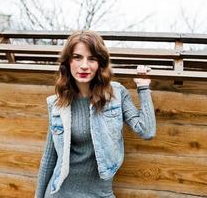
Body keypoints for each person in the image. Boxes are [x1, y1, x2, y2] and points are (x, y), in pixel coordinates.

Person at [35, 30, 156, 198]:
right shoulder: (58, 103)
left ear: (100, 63)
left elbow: (147, 131)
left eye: (92, 58)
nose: (84, 65)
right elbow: (49, 159)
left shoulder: (116, 94)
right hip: (60, 193)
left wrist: (143, 87)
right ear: (68, 62)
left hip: (100, 193)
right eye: (77, 57)